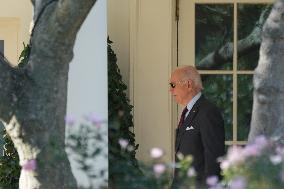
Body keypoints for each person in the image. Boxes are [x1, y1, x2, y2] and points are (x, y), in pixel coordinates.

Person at [169, 66, 225, 188]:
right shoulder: (189, 112)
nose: (170, 90)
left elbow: (214, 159)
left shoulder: (208, 112)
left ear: (188, 84)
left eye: (173, 85)